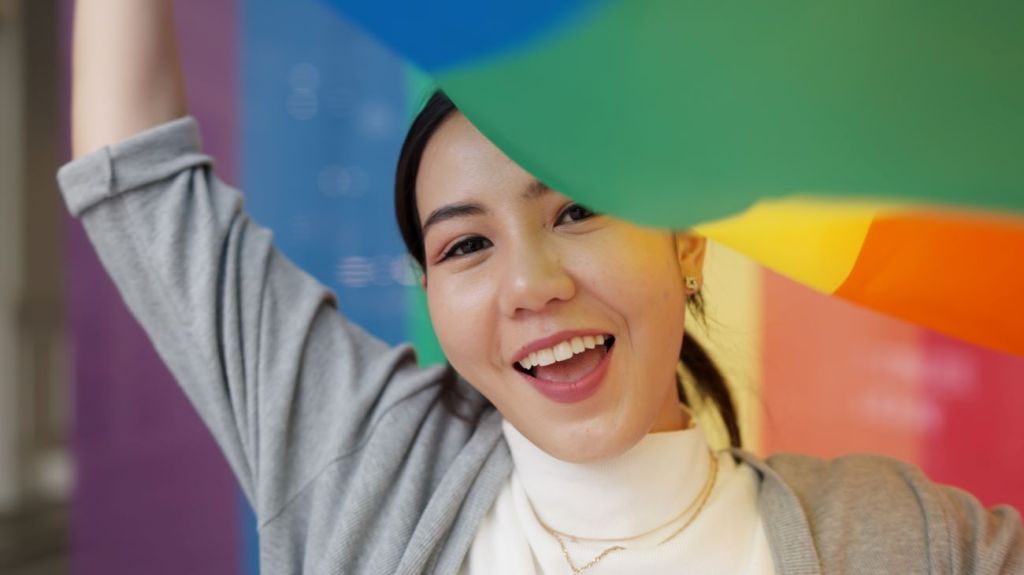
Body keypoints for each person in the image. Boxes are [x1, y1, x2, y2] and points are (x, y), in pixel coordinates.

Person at [60, 1, 1022, 573]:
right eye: (466, 247)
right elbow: (134, 180)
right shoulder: (365, 464)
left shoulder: (899, 536)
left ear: (686, 246)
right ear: (431, 291)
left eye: (575, 211)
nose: (531, 283)